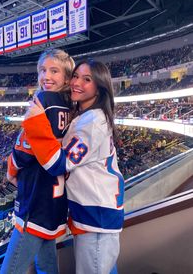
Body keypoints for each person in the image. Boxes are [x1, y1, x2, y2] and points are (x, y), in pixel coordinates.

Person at [22, 59, 125, 274]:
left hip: (96, 217)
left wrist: (36, 122)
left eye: (87, 79)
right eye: (76, 76)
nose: (77, 82)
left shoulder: (93, 122)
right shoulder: (87, 116)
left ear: (100, 87)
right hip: (94, 214)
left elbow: (59, 164)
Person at [0, 49, 74, 274]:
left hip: (35, 200)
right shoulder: (70, 106)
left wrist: (11, 166)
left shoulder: (44, 100)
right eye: (43, 70)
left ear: (67, 78)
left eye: (54, 71)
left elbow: (24, 150)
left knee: (10, 270)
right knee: (47, 266)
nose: (46, 76)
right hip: (55, 203)